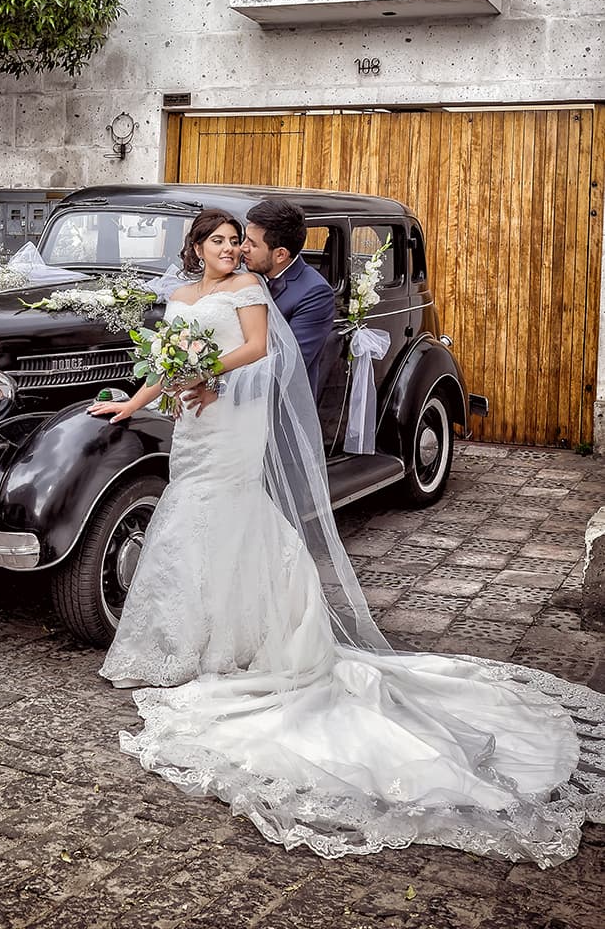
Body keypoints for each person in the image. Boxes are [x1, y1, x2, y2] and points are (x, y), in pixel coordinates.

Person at [87, 208, 604, 867]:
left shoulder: (254, 291)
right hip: (196, 422)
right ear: (195, 246)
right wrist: (134, 402)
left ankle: (252, 633)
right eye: (219, 240)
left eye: (237, 240)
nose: (231, 248)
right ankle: (186, 635)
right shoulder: (184, 294)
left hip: (231, 417)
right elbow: (167, 354)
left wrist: (205, 373)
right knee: (188, 511)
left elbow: (265, 353)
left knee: (231, 509)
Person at [242, 198, 335, 394]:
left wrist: (221, 390)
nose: (242, 248)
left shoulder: (315, 293)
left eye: (252, 243)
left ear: (280, 255)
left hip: (276, 405)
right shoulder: (243, 272)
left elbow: (288, 366)